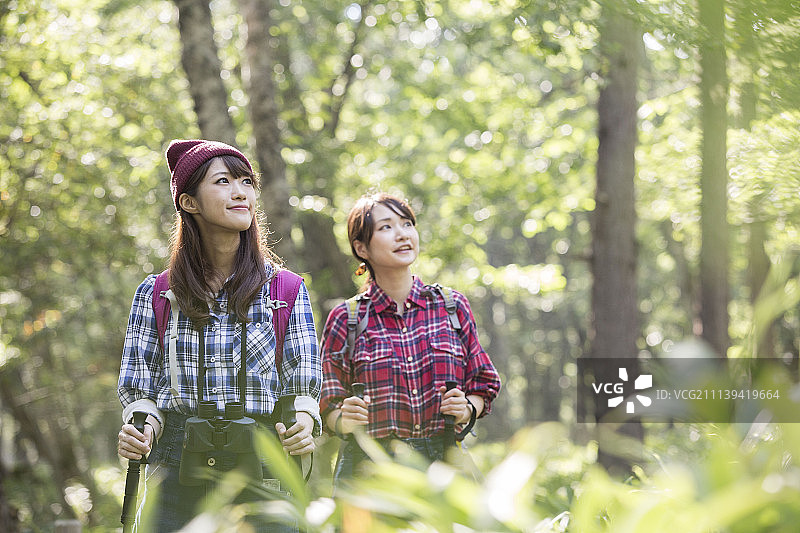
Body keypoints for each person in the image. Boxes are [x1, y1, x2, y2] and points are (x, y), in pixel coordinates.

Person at [116, 139, 321, 531]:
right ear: (189, 202)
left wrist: (302, 424)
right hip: (175, 469)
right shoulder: (157, 293)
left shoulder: (286, 289)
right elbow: (142, 390)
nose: (240, 192)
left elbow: (301, 386)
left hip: (263, 466)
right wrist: (141, 431)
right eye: (224, 181)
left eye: (246, 182)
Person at [319, 191, 501, 485]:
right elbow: (326, 401)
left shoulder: (451, 306)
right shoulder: (346, 318)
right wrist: (342, 419)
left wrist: (467, 408)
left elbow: (484, 381)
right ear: (361, 248)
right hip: (371, 471)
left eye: (407, 224)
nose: (402, 234)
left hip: (445, 467)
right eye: (386, 227)